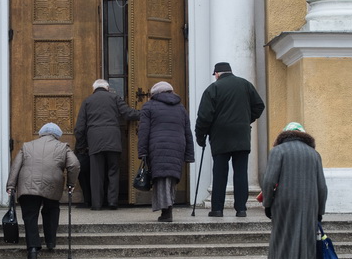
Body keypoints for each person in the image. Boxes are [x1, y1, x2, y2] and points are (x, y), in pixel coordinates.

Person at [260, 122, 328, 259]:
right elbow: (322, 186)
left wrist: (268, 203)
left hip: (283, 202)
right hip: (309, 204)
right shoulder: (314, 154)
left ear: (284, 135)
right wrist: (320, 210)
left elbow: (269, 181)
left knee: (281, 234)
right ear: (304, 136)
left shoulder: (278, 151)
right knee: (304, 241)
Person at [195, 62, 265, 217]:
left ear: (217, 74)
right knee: (241, 173)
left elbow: (204, 116)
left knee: (220, 173)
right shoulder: (245, 85)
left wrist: (200, 136)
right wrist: (246, 120)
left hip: (220, 137)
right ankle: (241, 209)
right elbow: (259, 106)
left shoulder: (213, 88)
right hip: (242, 136)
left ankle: (217, 209)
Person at [6, 122, 80, 259]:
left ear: (41, 134)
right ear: (57, 135)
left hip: (28, 185)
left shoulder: (27, 146)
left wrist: (11, 185)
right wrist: (71, 184)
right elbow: (74, 165)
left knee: (30, 216)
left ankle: (32, 249)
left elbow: (16, 166)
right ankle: (50, 242)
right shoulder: (63, 147)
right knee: (51, 211)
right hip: (52, 184)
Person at [74, 79, 140, 210]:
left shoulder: (87, 101)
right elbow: (128, 114)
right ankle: (112, 202)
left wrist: (81, 146)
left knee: (96, 173)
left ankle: (96, 204)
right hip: (113, 139)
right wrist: (145, 112)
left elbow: (79, 128)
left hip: (94, 141)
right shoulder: (115, 98)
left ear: (94, 89)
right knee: (113, 170)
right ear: (107, 88)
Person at [137, 81, 195, 222]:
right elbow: (187, 132)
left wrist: (142, 151)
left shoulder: (149, 106)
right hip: (177, 146)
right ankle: (168, 210)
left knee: (160, 178)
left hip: (157, 146)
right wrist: (189, 154)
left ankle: (166, 212)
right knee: (171, 178)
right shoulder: (181, 108)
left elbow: (143, 131)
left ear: (154, 93)